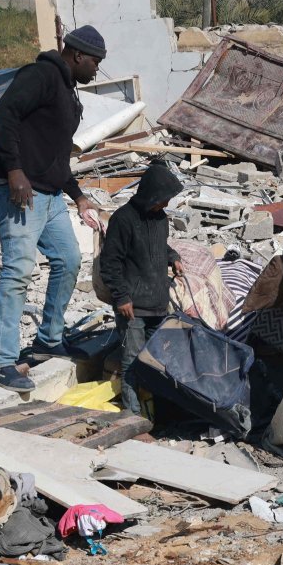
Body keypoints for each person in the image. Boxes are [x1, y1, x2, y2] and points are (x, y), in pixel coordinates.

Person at [0, 25, 108, 392]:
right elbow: (4, 114)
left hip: (48, 194)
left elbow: (54, 156)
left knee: (68, 260)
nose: (96, 69)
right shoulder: (41, 75)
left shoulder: (67, 91)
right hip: (16, 188)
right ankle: (0, 361)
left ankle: (49, 340)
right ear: (78, 55)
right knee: (18, 271)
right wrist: (14, 169)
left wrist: (78, 195)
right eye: (95, 61)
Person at [99, 161, 185, 414]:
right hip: (133, 308)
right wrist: (122, 297)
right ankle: (133, 417)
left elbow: (160, 246)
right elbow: (110, 262)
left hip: (158, 304)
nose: (165, 204)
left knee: (156, 361)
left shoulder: (161, 218)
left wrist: (173, 257)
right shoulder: (123, 220)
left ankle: (159, 413)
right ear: (150, 194)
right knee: (132, 363)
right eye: (163, 199)